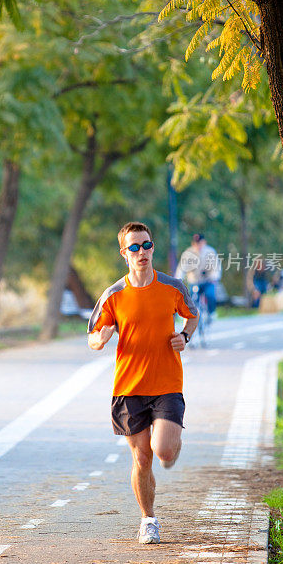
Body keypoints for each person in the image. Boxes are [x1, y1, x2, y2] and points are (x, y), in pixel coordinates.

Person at [87, 221, 199, 545]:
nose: (142, 252)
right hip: (129, 388)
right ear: (124, 253)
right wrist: (102, 338)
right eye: (134, 247)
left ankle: (171, 446)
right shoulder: (114, 295)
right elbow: (92, 336)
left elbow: (192, 315)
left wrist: (184, 336)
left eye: (146, 245)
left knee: (162, 451)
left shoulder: (172, 286)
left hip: (166, 382)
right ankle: (148, 519)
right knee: (141, 459)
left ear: (153, 248)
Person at [175, 233, 221, 318]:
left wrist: (214, 277)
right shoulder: (188, 253)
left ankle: (211, 312)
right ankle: (193, 318)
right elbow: (181, 268)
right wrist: (178, 280)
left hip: (208, 280)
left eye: (200, 242)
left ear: (204, 242)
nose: (198, 245)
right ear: (193, 243)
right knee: (192, 300)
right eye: (196, 243)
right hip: (194, 281)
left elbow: (216, 267)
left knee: (210, 295)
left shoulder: (210, 252)